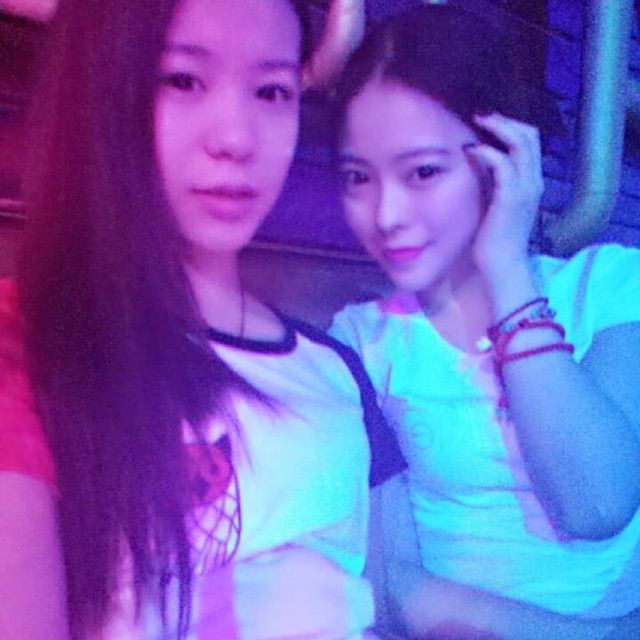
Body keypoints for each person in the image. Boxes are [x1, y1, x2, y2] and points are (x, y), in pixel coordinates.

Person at [0, 0, 405, 638]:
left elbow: (394, 593)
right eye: (183, 80)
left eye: (272, 91)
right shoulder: (27, 345)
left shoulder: (335, 367)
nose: (237, 139)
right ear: (102, 90)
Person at [328, 5, 640, 639]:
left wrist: (507, 271)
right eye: (359, 177)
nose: (385, 215)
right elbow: (391, 588)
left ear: (505, 158)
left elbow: (596, 504)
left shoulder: (611, 286)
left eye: (422, 172)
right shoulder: (363, 341)